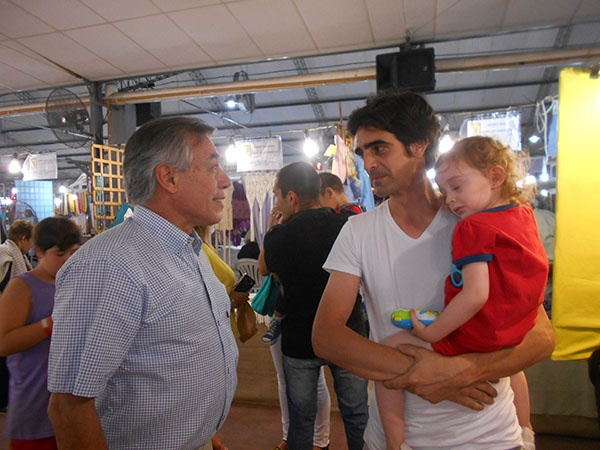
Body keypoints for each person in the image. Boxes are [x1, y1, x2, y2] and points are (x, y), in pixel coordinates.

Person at [312, 90, 555, 450]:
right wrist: (426, 374)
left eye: (380, 148)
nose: (368, 163)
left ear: (418, 146)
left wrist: (463, 371)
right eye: (363, 153)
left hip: (487, 435)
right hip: (394, 435)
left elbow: (541, 336)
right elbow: (327, 336)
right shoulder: (358, 231)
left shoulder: (479, 224)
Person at [47, 116, 238, 450]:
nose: (225, 181)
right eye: (212, 168)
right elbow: (69, 406)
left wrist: (204, 432)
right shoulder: (110, 265)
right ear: (169, 178)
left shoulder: (190, 250)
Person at [375, 136, 548, 450]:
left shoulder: (473, 227)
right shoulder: (523, 215)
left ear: (495, 176)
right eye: (444, 192)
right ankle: (525, 430)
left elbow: (475, 294)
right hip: (514, 330)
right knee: (514, 369)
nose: (451, 200)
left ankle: (397, 444)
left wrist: (432, 332)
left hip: (480, 332)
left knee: (388, 352)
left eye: (456, 187)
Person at [259, 161, 368, 450]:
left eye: (277, 195)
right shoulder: (347, 225)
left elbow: (266, 270)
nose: (277, 203)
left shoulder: (279, 237)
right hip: (348, 333)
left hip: (300, 338)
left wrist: (271, 231)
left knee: (301, 419)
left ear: (291, 197)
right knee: (357, 414)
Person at [0, 216, 80, 450]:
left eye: (73, 253)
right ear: (39, 251)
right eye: (60, 254)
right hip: (34, 403)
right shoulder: (22, 286)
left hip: (72, 406)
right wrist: (50, 324)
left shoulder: (76, 284)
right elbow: (4, 343)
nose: (68, 260)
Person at [0, 219, 34, 412]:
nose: (32, 246)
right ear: (23, 239)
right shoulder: (7, 256)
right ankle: (4, 400)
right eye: (31, 241)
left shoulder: (15, 254)